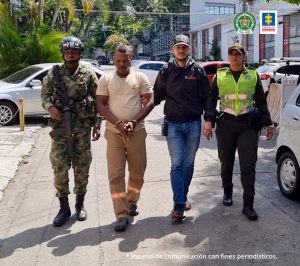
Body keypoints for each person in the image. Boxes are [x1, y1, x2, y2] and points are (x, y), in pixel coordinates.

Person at [152, 34, 214, 221]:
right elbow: (156, 96)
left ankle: (182, 196)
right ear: (173, 50)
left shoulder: (197, 71)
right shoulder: (165, 71)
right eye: (178, 47)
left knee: (188, 164)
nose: (181, 50)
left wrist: (209, 120)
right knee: (177, 163)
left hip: (194, 123)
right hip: (173, 125)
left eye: (184, 47)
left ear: (189, 50)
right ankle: (178, 205)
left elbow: (207, 97)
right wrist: (136, 111)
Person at [41, 36, 101, 227]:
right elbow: (44, 94)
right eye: (67, 51)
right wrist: (50, 107)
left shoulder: (88, 73)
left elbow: (99, 99)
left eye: (74, 51)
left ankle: (79, 205)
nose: (70, 54)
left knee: (82, 168)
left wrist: (97, 124)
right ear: (63, 53)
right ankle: (63, 208)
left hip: (82, 129)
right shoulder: (54, 73)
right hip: (60, 129)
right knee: (60, 168)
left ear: (79, 53)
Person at [211, 42, 274, 221]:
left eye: (238, 53)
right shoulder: (220, 75)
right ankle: (227, 191)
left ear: (244, 56)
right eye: (231, 53)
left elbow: (261, 102)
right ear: (228, 56)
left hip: (248, 125)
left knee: (248, 165)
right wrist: (209, 121)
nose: (234, 56)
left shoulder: (253, 75)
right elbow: (210, 100)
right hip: (225, 124)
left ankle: (248, 204)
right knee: (226, 161)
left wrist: (269, 123)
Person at [96, 44, 153, 232]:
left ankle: (131, 201)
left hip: (136, 132)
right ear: (114, 59)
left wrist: (133, 122)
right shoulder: (106, 79)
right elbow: (101, 105)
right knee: (116, 174)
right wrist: (119, 124)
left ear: (131, 58)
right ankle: (121, 214)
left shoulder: (140, 77)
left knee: (138, 173)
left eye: (125, 60)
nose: (121, 64)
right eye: (118, 60)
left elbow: (150, 101)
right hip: (114, 133)